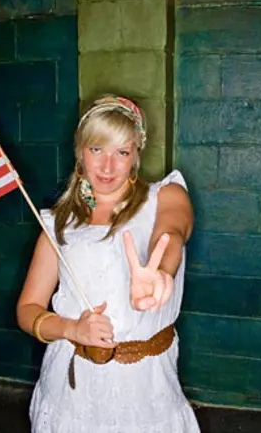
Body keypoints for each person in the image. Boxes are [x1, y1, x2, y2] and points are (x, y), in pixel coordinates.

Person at [16, 94, 200, 432]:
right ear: (80, 153)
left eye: (122, 152)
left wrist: (161, 274)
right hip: (72, 388)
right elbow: (28, 309)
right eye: (97, 149)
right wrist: (71, 328)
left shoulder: (165, 197)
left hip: (146, 387)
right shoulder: (59, 223)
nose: (107, 166)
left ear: (135, 156)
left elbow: (172, 234)